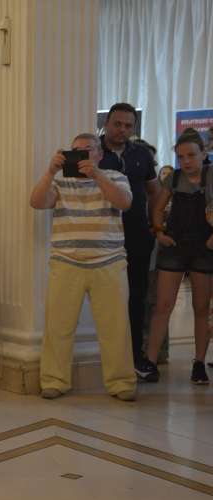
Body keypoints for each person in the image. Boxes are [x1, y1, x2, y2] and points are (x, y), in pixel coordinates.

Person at [30, 133, 135, 401]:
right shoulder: (60, 181)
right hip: (66, 262)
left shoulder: (116, 177)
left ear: (99, 154)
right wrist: (50, 171)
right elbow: (37, 202)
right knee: (57, 327)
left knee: (116, 328)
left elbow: (124, 202)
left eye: (88, 149)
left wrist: (97, 175)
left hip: (109, 261)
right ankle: (54, 380)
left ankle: (121, 382)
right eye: (76, 150)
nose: (82, 154)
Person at [136, 133, 212, 385]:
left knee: (201, 307)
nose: (186, 161)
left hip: (204, 248)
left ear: (203, 154)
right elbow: (157, 208)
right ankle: (150, 362)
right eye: (181, 157)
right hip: (175, 246)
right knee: (162, 305)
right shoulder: (173, 178)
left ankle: (199, 363)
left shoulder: (211, 176)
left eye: (191, 155)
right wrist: (159, 232)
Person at [97, 103, 159, 377]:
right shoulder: (94, 153)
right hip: (101, 238)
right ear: (106, 124)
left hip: (137, 237)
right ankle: (102, 359)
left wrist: (155, 225)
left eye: (128, 126)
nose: (122, 130)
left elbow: (155, 191)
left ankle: (134, 357)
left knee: (136, 297)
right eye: (117, 124)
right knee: (104, 300)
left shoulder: (142, 154)